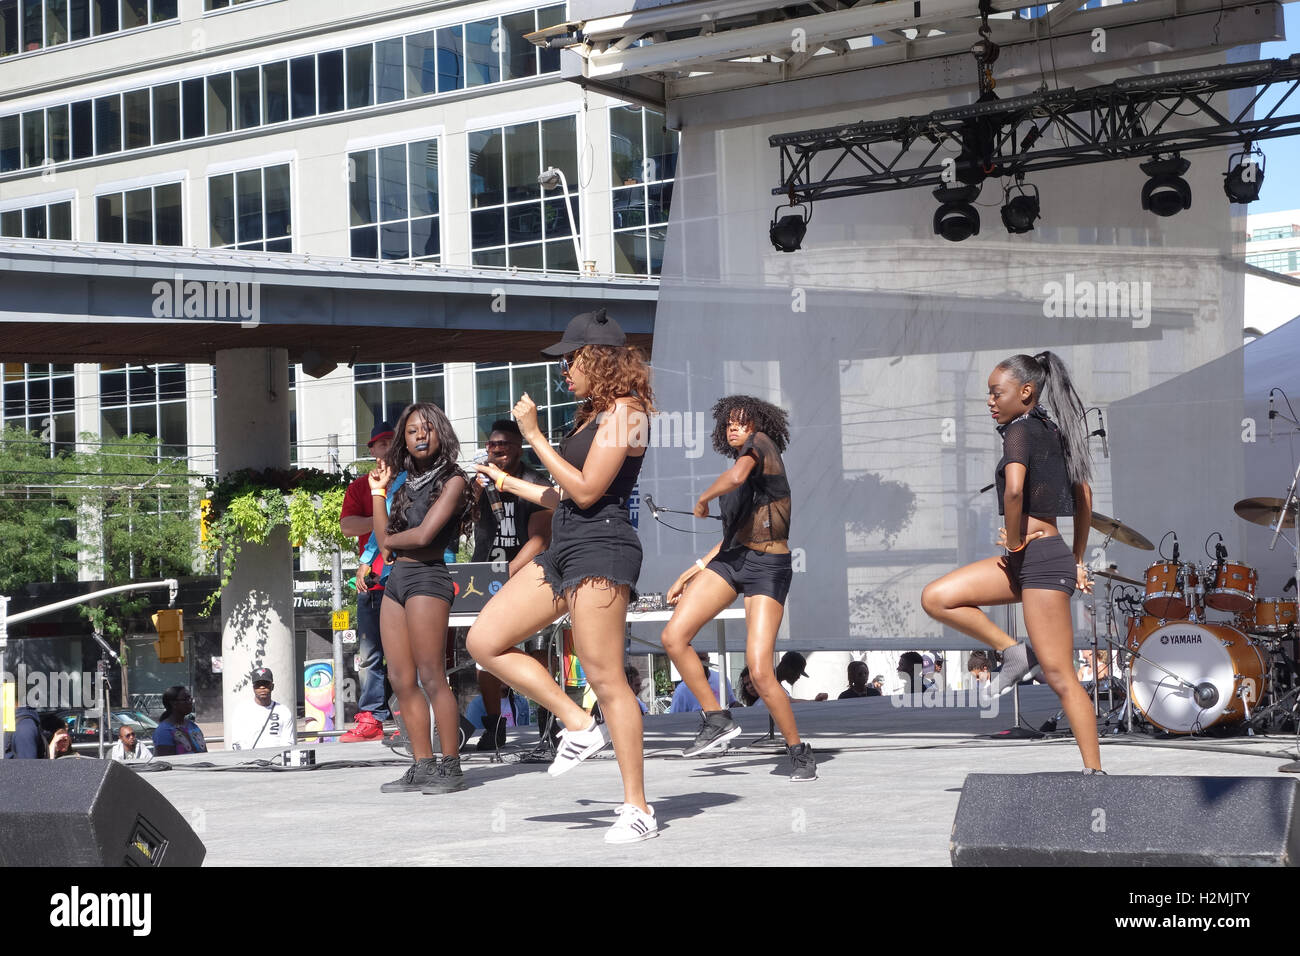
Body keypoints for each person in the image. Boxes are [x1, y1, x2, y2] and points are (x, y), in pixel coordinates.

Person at [468, 308, 658, 844]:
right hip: (565, 546)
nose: (563, 371)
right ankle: (576, 723)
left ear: (596, 358)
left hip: (604, 548)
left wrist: (533, 437)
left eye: (570, 359)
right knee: (485, 639)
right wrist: (507, 481)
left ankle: (638, 808)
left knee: (606, 677)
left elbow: (589, 491)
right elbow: (563, 494)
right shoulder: (593, 414)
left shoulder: (629, 413)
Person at [921, 351, 1102, 774]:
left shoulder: (1020, 429)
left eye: (995, 392)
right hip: (1034, 558)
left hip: (1037, 559)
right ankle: (1014, 652)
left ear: (1025, 392)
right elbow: (1085, 499)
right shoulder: (1053, 431)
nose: (989, 401)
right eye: (988, 393)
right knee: (938, 597)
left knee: (1061, 677)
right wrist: (1076, 559)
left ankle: (1094, 771)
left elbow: (1015, 491)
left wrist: (1018, 538)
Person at [660, 396, 818, 782]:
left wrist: (702, 498)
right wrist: (690, 572)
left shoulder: (762, 445)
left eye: (741, 421)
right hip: (732, 561)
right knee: (673, 636)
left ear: (757, 424)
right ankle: (717, 718)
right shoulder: (739, 471)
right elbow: (732, 536)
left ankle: (798, 751)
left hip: (768, 567)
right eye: (728, 423)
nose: (734, 427)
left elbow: (732, 479)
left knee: (761, 671)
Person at [367, 402, 473, 794]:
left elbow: (426, 536)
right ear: (404, 441)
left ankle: (451, 765)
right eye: (412, 431)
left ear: (440, 432)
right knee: (399, 677)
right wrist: (377, 493)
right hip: (397, 580)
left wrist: (390, 543)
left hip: (429, 578)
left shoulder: (454, 479)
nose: (420, 436)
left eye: (427, 429)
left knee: (432, 675)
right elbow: (383, 542)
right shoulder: (404, 483)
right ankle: (422, 763)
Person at [470, 418, 553, 751]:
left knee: (539, 650)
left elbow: (541, 538)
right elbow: (462, 524)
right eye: (492, 445)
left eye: (504, 445)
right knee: (484, 653)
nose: (498, 450)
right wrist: (472, 495)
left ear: (519, 448)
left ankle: (548, 725)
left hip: (530, 576)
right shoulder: (480, 482)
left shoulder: (534, 483)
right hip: (485, 576)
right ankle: (493, 726)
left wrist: (508, 573)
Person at [339, 421, 396, 743]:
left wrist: (376, 521)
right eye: (380, 443)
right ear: (371, 450)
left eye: (391, 442)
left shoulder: (408, 482)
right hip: (372, 580)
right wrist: (380, 518)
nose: (385, 448)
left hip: (406, 576)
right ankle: (371, 716)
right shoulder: (360, 487)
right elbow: (347, 526)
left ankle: (406, 711)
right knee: (370, 655)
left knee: (411, 653)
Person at [229, 667, 297, 752]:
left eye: (265, 684)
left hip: (275, 762)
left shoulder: (283, 711)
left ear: (272, 686)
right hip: (250, 762)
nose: (262, 687)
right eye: (258, 684)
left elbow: (288, 742)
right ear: (253, 688)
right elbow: (237, 741)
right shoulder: (241, 710)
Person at [668, 650, 733, 713]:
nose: (700, 663)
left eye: (702, 659)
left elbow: (732, 703)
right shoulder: (682, 691)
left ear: (708, 659)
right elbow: (673, 718)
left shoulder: (721, 679)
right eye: (695, 659)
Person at [153, 686, 207, 756]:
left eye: (190, 698)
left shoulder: (193, 727)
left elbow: (205, 754)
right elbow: (166, 763)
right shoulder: (164, 731)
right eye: (186, 699)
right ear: (173, 703)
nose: (190, 702)